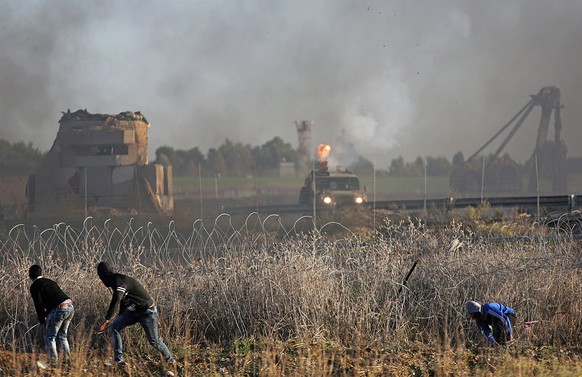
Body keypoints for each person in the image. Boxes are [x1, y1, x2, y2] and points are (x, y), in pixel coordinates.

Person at [96, 261, 174, 365]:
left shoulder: (120, 282)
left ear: (103, 275)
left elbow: (117, 300)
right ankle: (118, 360)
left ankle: (170, 360)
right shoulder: (115, 281)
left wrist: (107, 319)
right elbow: (123, 303)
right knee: (115, 326)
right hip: (133, 310)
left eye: (100, 277)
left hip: (147, 312)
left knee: (154, 340)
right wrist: (120, 317)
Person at [28, 264, 74, 365]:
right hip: (70, 306)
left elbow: (38, 304)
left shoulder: (35, 286)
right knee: (62, 335)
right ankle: (67, 362)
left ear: (30, 276)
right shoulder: (49, 281)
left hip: (59, 309)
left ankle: (53, 363)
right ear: (41, 273)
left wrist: (42, 320)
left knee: (50, 336)